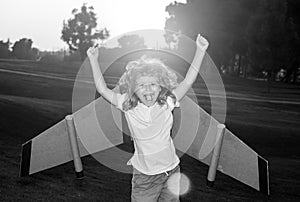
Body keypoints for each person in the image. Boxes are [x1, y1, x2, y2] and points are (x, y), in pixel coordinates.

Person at [87, 34, 209, 202]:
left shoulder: (167, 102)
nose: (148, 90)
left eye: (153, 84)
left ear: (161, 86)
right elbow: (102, 89)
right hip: (145, 177)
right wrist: (94, 59)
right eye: (141, 85)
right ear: (133, 88)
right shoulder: (127, 104)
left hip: (172, 171)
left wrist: (200, 51)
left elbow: (188, 81)